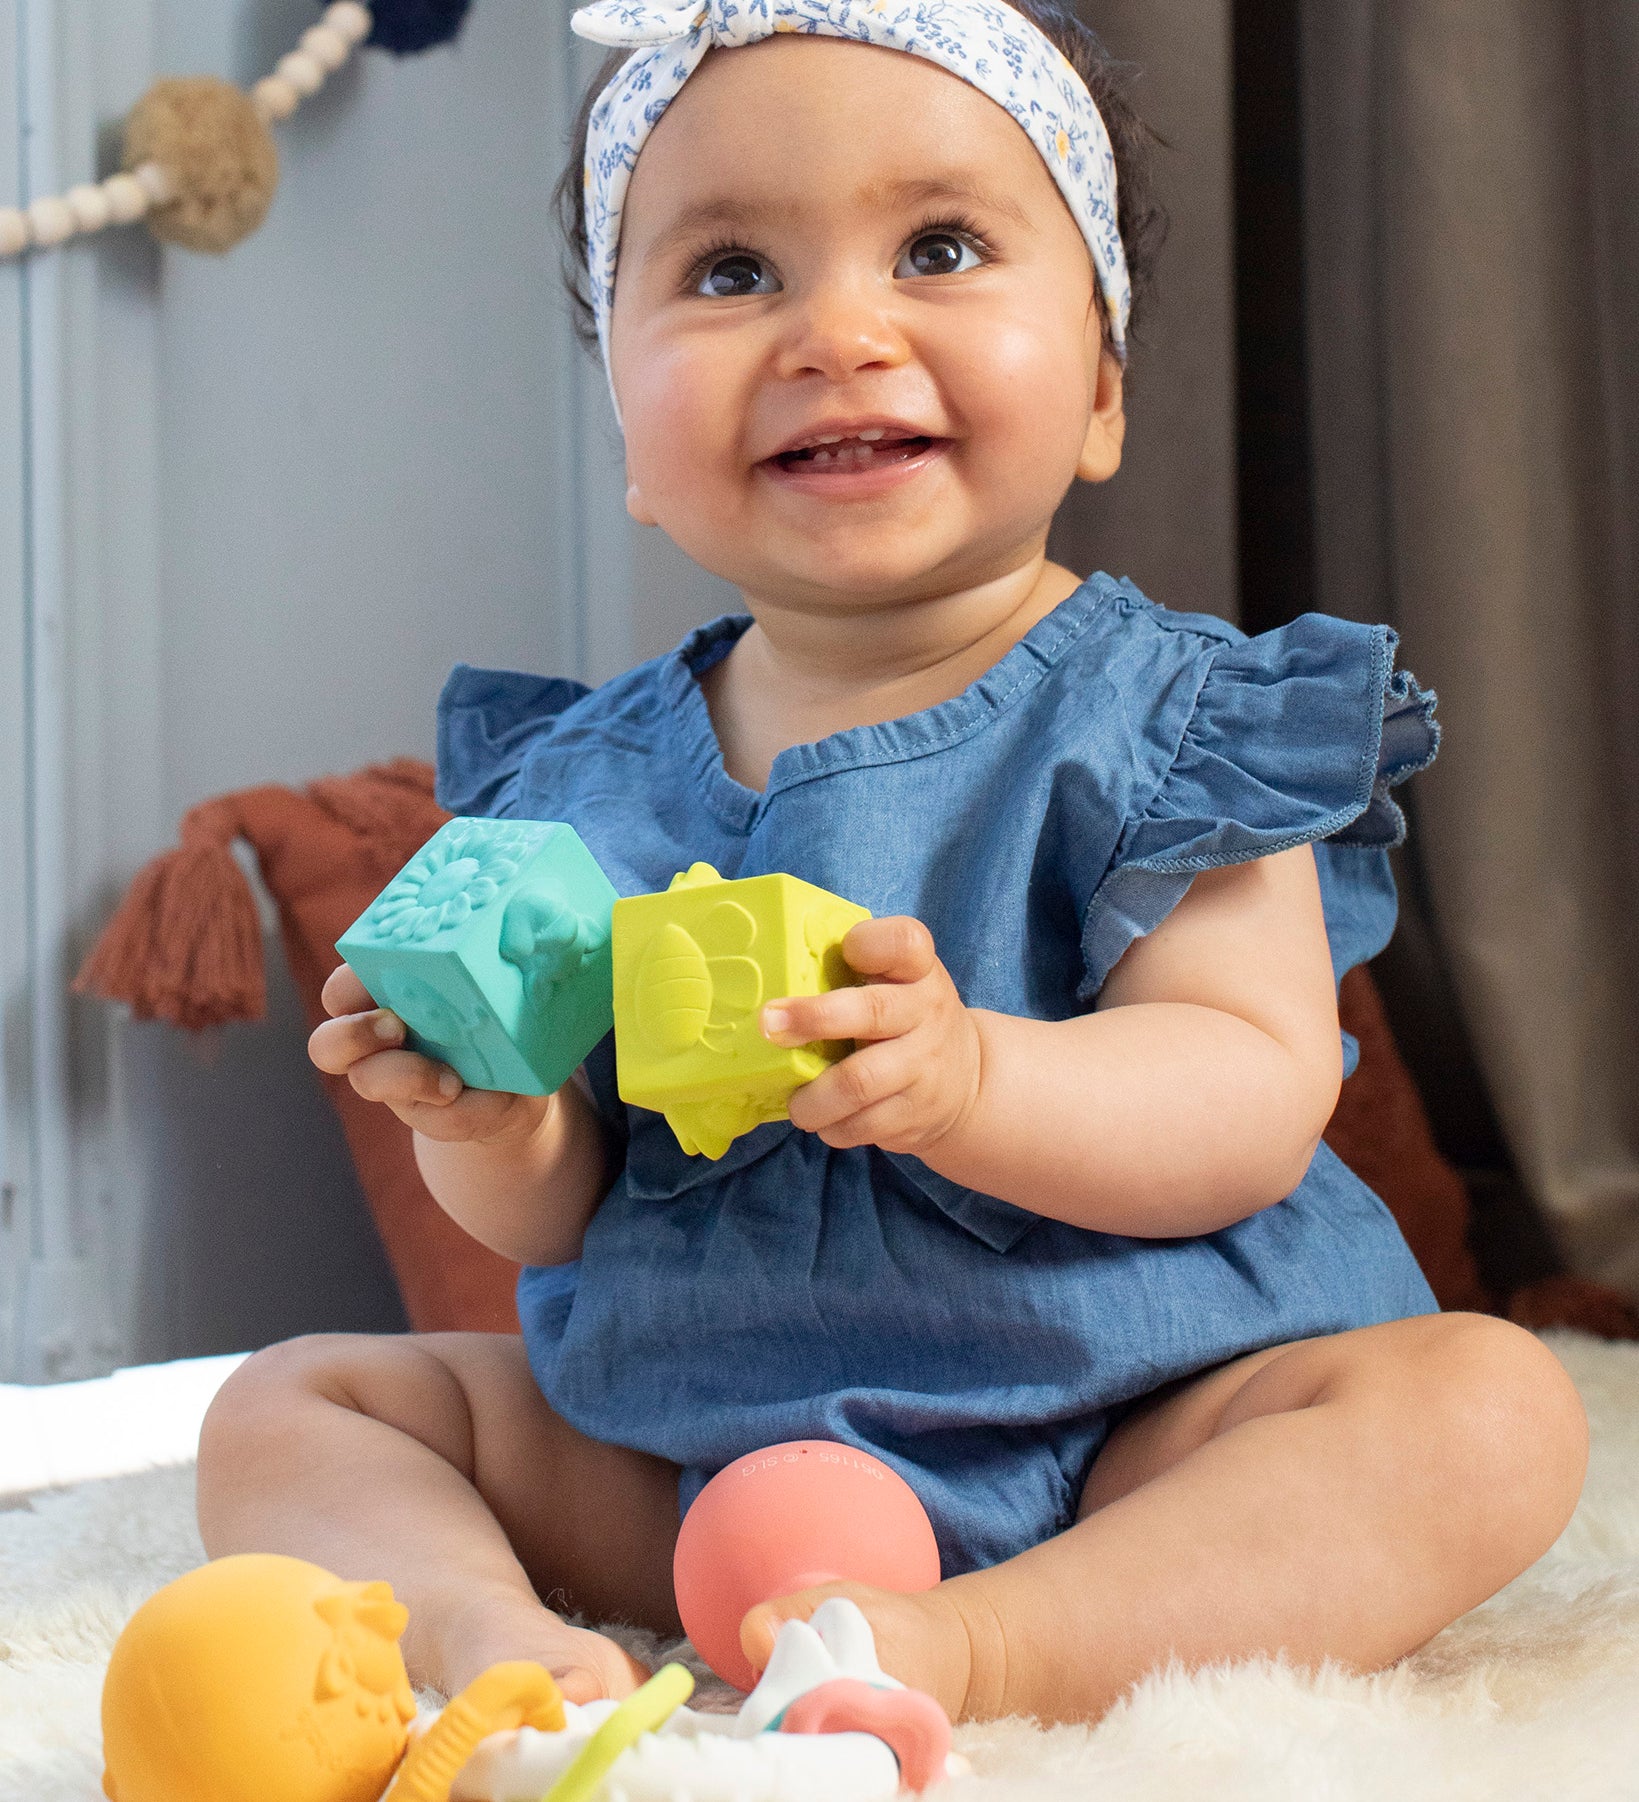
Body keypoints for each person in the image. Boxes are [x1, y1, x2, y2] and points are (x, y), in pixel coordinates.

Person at [198, 0, 1588, 1727]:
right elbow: (560, 1210)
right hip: (686, 1447)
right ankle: (491, 1637)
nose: (835, 332)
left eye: (936, 247)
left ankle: (979, 1644)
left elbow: (1248, 1088)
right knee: (291, 1401)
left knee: (1489, 1404)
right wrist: (490, 1118)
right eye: (727, 273)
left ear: (1098, 387)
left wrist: (967, 1077)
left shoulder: (1178, 719)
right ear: (628, 429)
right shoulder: (570, 785)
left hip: (1126, 1431)